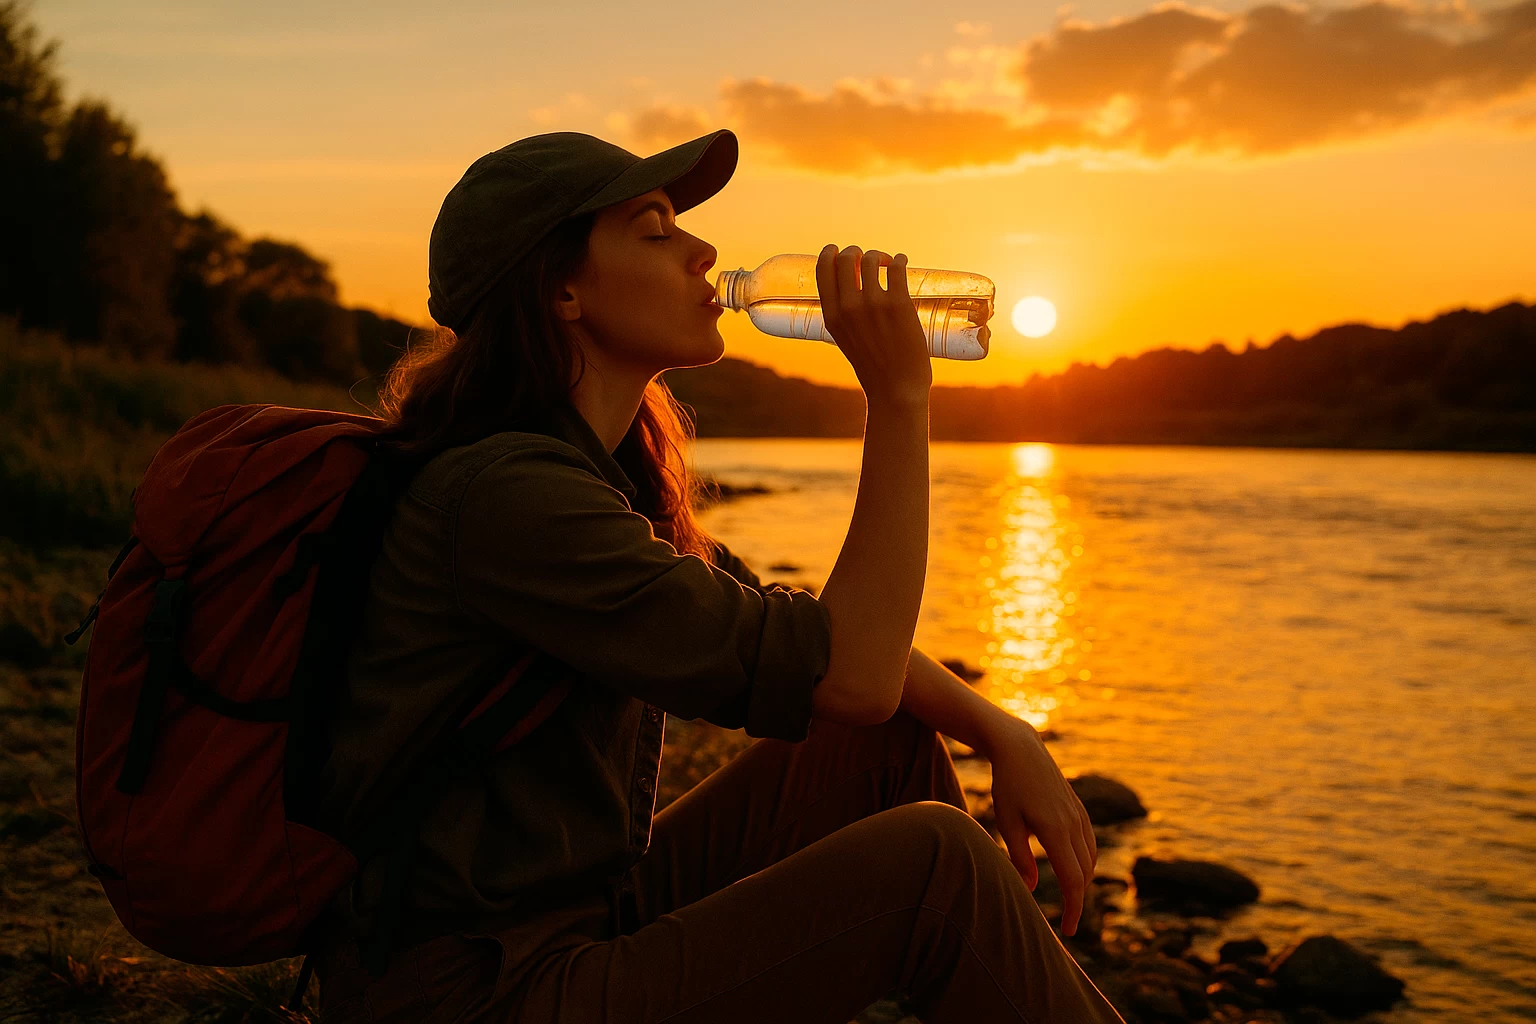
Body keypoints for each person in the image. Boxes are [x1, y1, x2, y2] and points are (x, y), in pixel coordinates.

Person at [311, 128, 1125, 1023]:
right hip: (473, 990)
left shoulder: (590, 475)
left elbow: (809, 636)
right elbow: (850, 674)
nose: (703, 249)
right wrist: (899, 398)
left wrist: (1001, 730)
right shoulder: (511, 498)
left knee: (874, 750)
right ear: (561, 289)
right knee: (938, 868)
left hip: (566, 919)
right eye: (655, 229)